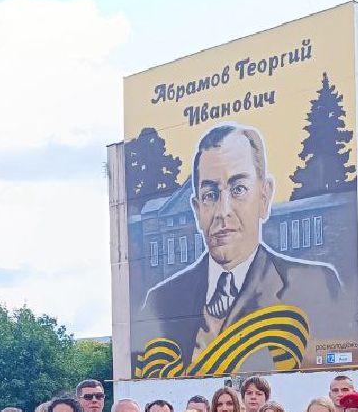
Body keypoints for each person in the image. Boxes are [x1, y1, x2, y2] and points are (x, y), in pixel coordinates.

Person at [138, 122, 342, 372]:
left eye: (238, 189)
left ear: (264, 197)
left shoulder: (315, 285)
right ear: (197, 209)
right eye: (210, 195)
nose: (223, 212)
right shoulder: (161, 300)